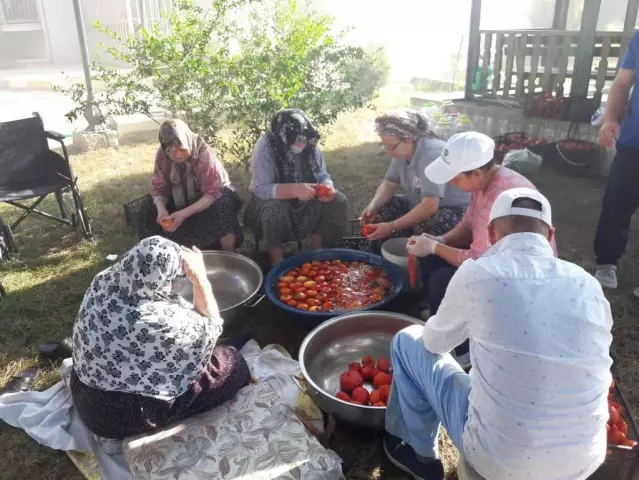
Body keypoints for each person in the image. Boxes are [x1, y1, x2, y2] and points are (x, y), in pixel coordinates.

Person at [385, 188, 613, 480]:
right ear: (550, 234)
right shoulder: (588, 284)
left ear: (491, 233)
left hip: (500, 460)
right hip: (584, 459)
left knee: (408, 341)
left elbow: (433, 342)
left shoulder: (478, 274)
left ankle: (419, 456)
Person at [70, 236, 250, 440]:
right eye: (175, 280)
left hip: (85, 389)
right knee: (235, 367)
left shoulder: (102, 282)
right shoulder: (160, 320)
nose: (175, 285)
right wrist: (200, 278)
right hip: (114, 418)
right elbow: (213, 323)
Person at [407, 131, 556, 364]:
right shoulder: (482, 184)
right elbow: (468, 224)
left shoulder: (500, 196)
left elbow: (477, 261)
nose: (450, 182)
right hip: (492, 256)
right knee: (430, 259)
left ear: (476, 172)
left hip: (519, 279)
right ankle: (438, 316)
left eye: (455, 178)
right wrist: (441, 241)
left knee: (442, 280)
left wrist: (435, 247)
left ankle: (463, 349)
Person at [244, 109, 349, 265]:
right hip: (269, 201)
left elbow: (322, 176)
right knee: (275, 210)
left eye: (304, 140)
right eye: (295, 140)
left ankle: (316, 249)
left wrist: (327, 187)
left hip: (307, 199)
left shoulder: (310, 143)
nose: (301, 144)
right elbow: (261, 188)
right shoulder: (266, 146)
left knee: (338, 200)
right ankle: (277, 260)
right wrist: (294, 190)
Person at [360, 110, 469, 241]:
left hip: (455, 210)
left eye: (392, 147)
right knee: (383, 208)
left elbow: (430, 206)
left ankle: (413, 253)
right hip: (419, 202)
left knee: (424, 228)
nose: (389, 152)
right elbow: (389, 184)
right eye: (385, 146)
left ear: (408, 139)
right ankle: (391, 248)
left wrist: (391, 226)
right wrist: (373, 205)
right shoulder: (401, 152)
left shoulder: (430, 154)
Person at [137, 120, 243, 251]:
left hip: (211, 197)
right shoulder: (163, 154)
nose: (178, 154)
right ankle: (157, 253)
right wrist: (161, 209)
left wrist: (183, 214)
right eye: (172, 152)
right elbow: (159, 186)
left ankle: (227, 255)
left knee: (223, 208)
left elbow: (213, 192)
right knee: (148, 208)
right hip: (179, 197)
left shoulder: (203, 152)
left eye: (182, 149)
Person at [593, 31, 639, 290]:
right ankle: (606, 263)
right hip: (634, 143)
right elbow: (622, 83)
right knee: (616, 205)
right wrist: (611, 118)